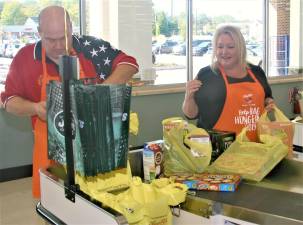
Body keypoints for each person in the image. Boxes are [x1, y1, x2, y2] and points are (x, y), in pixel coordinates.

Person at [0, 6, 138, 198]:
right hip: (51, 153)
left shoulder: (90, 47)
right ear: (39, 33)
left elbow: (129, 64)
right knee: (54, 206)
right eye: (50, 39)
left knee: (99, 203)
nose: (58, 45)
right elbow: (8, 100)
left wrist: (100, 93)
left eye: (64, 37)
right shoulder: (25, 58)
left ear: (71, 28)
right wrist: (34, 108)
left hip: (95, 146)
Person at [182, 25, 274, 141]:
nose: (224, 52)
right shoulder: (207, 75)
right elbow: (191, 114)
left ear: (241, 48)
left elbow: (267, 98)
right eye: (220, 47)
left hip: (254, 148)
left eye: (230, 47)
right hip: (216, 149)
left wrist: (268, 103)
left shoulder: (257, 72)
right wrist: (188, 97)